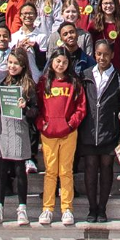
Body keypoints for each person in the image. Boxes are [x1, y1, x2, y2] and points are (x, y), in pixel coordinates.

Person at [0, 50, 38, 226]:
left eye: (16, 63)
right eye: (10, 63)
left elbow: (35, 111)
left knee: (19, 169)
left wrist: (25, 107)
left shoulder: (28, 85)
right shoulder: (3, 82)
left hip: (20, 129)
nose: (12, 66)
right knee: (1, 170)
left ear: (23, 65)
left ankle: (22, 208)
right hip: (3, 128)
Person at [36, 49, 86, 226]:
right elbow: (37, 107)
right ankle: (47, 208)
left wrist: (71, 125)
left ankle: (67, 209)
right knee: (50, 172)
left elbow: (81, 108)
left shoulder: (74, 83)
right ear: (51, 62)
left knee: (66, 171)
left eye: (64, 62)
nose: (61, 65)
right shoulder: (43, 82)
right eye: (58, 61)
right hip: (48, 134)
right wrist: (43, 125)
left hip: (68, 133)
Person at [77, 40, 120, 223]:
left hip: (109, 130)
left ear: (112, 55)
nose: (102, 58)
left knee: (106, 168)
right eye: (98, 54)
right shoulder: (86, 75)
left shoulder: (119, 77)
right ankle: (92, 208)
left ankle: (102, 208)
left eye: (105, 54)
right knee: (90, 168)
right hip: (89, 129)